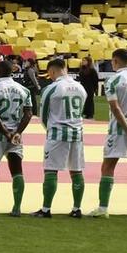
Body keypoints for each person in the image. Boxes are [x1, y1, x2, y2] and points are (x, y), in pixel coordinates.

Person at [0, 57, 33, 217]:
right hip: (16, 133)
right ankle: (16, 208)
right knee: (17, 169)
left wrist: (5, 132)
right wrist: (16, 133)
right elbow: (28, 113)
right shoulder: (24, 90)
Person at [36, 56, 88, 219]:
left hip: (58, 132)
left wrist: (49, 129)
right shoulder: (80, 87)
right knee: (76, 170)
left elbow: (43, 115)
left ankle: (46, 209)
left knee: (51, 169)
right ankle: (76, 208)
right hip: (77, 132)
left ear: (52, 71)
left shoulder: (52, 88)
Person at [96, 48, 127, 217]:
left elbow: (116, 108)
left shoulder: (114, 80)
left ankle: (103, 208)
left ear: (115, 61)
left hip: (120, 128)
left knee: (108, 165)